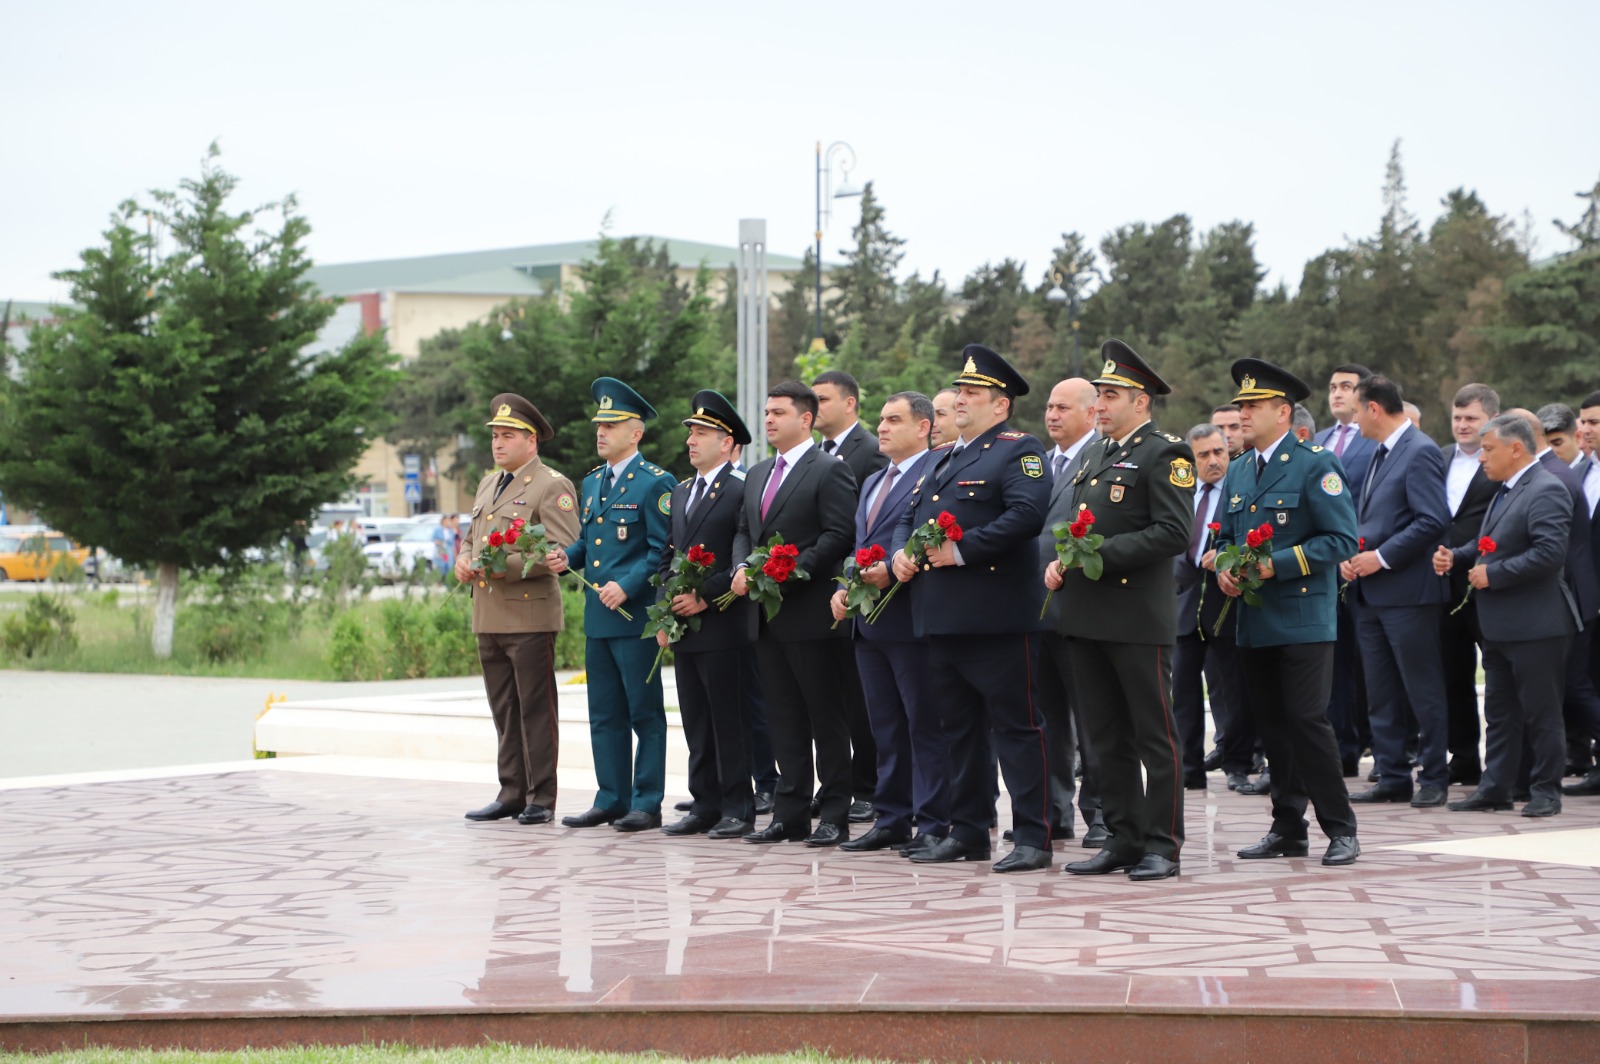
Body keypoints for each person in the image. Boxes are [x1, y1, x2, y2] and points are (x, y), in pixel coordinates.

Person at [892, 344, 1053, 872]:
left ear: (1000, 405)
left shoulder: (1018, 450)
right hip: (942, 617)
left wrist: (961, 550)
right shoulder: (945, 457)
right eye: (958, 391)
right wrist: (902, 552)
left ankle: (1032, 836)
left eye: (971, 393)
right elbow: (911, 515)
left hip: (997, 618)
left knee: (1017, 730)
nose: (959, 400)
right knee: (956, 731)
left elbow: (1026, 516)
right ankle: (968, 831)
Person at [1052, 340, 1193, 882]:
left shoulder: (1165, 453)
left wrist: (1096, 557)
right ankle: (1123, 837)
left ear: (1142, 401)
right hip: (1087, 616)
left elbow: (1173, 532)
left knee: (1153, 737)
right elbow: (1085, 527)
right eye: (1100, 394)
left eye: (1111, 395)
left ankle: (1163, 844)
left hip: (1136, 618)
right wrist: (1066, 561)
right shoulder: (1096, 454)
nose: (1101, 404)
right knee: (1104, 737)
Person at [1212, 359, 1361, 867]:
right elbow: (1226, 540)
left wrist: (1275, 566)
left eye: (1252, 407)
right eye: (1240, 406)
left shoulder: (1315, 463)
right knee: (1272, 725)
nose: (1242, 415)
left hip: (1302, 617)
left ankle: (1340, 828)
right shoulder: (1237, 468)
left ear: (1282, 412)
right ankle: (1288, 827)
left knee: (1306, 720)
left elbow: (1341, 539)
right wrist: (1224, 568)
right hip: (1254, 619)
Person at [547, 378, 677, 833]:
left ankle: (646, 800)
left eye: (612, 424)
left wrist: (627, 585)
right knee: (604, 714)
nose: (600, 432)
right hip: (599, 618)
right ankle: (611, 797)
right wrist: (566, 559)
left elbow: (661, 550)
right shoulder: (592, 480)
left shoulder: (655, 483)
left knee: (645, 713)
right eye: (599, 424)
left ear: (635, 432)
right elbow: (589, 541)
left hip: (635, 616)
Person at [1434, 414, 1578, 818]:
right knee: (1499, 713)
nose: (1482, 457)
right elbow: (1490, 544)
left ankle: (1546, 791)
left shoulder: (1546, 488)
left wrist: (1491, 574)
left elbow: (1550, 555)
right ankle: (1496, 787)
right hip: (1499, 624)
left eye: (1489, 449)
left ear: (1517, 448)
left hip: (1537, 624)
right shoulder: (1506, 490)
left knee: (1541, 714)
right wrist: (1458, 557)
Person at [734, 380, 858, 846]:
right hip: (765, 616)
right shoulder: (759, 472)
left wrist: (790, 569)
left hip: (810, 613)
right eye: (766, 412)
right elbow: (745, 530)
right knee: (783, 716)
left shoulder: (829, 470)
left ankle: (833, 814)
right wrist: (745, 566)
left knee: (825, 717)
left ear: (805, 419)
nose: (768, 420)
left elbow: (839, 534)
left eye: (778, 412)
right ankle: (788, 814)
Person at [830, 391, 948, 853]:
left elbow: (931, 536)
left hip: (911, 618)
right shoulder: (874, 479)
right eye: (880, 419)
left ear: (923, 427)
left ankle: (934, 820)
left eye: (894, 420)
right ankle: (892, 816)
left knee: (924, 724)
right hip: (868, 622)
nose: (881, 427)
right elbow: (861, 546)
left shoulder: (936, 472)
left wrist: (898, 567)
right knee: (885, 727)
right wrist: (843, 586)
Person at [457, 394, 579, 826]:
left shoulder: (550, 484)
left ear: (532, 441)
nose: (498, 443)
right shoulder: (489, 483)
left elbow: (560, 548)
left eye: (508, 436)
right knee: (504, 709)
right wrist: (464, 557)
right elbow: (473, 535)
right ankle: (511, 791)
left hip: (528, 615)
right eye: (495, 435)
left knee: (535, 710)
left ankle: (541, 797)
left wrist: (494, 565)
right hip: (489, 615)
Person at [1340, 375, 1452, 807]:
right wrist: (1355, 556)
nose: (1352, 420)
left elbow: (1431, 519)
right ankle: (1391, 774)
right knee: (1381, 689)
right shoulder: (1379, 452)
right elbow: (1373, 517)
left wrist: (1381, 557)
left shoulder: (1419, 450)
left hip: (1408, 593)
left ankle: (1434, 776)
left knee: (1422, 688)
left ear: (1373, 409)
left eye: (1355, 411)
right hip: (1371, 593)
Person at [656, 391, 760, 839]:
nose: (691, 442)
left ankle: (738, 806)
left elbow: (745, 553)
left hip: (724, 621)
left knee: (728, 720)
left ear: (727, 442)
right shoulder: (681, 492)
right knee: (696, 719)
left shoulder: (742, 489)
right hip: (685, 626)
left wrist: (707, 594)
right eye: (691, 433)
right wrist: (666, 609)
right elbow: (667, 556)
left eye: (702, 433)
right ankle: (704, 803)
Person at [811, 369, 890, 821]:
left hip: (857, 593)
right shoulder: (814, 455)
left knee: (861, 701)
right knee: (828, 703)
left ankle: (869, 785)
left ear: (851, 404)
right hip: (815, 601)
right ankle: (835, 782)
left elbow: (869, 526)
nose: (815, 406)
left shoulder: (872, 451)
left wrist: (849, 581)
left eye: (823, 399)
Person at [1035, 377, 1104, 844]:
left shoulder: (1102, 459)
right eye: (1049, 406)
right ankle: (1054, 811)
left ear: (1090, 413)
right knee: (1047, 720)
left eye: (1063, 407)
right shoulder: (1039, 463)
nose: (1052, 414)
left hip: (1082, 608)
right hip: (1035, 612)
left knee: (1093, 717)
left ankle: (1100, 812)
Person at [1171, 423, 1250, 791]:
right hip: (1183, 602)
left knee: (1233, 688)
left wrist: (1227, 557)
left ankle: (1237, 763)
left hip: (1227, 603)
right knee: (1183, 690)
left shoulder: (1240, 491)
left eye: (1219, 452)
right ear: (1192, 459)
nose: (1214, 460)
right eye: (1203, 455)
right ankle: (1189, 767)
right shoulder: (1180, 492)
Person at [1314, 363, 1377, 777]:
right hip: (1321, 567)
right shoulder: (1317, 443)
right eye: (1334, 386)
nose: (1338, 393)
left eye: (1347, 387)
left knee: (1365, 663)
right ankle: (1339, 744)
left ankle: (1369, 741)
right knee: (1331, 665)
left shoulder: (1374, 443)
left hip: (1363, 566)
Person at [1439, 384, 1500, 786]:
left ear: (1491, 419)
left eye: (1471, 419)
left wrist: (1465, 554)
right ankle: (1462, 759)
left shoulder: (1501, 462)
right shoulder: (1439, 457)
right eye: (1458, 418)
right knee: (1452, 674)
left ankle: (1501, 765)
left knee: (1497, 676)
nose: (1463, 426)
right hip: (1441, 583)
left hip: (1489, 580)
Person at [432, 513, 460, 577]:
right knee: (441, 565)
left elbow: (453, 542)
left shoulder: (450, 530)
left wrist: (455, 554)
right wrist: (440, 543)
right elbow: (434, 539)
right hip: (441, 549)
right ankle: (440, 578)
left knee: (449, 565)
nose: (448, 522)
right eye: (447, 520)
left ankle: (447, 579)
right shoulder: (438, 530)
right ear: (443, 521)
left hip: (449, 550)